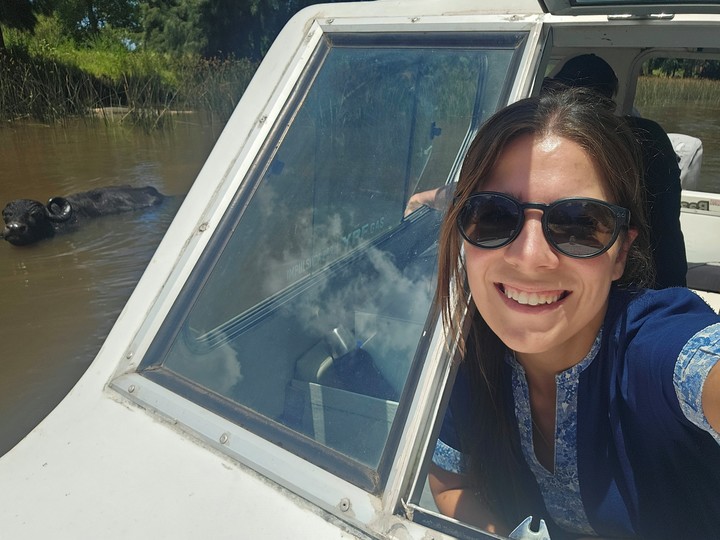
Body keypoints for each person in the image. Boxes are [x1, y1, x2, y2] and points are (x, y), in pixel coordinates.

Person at [428, 88, 720, 540]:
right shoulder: (475, 351)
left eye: (580, 224)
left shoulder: (657, 348)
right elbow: (452, 481)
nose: (530, 257)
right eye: (492, 216)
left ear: (621, 253)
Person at [406, 54, 687, 289]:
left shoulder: (587, 145)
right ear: (610, 102)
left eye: (575, 218)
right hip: (670, 269)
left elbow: (512, 190)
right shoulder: (650, 136)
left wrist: (428, 197)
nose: (529, 257)